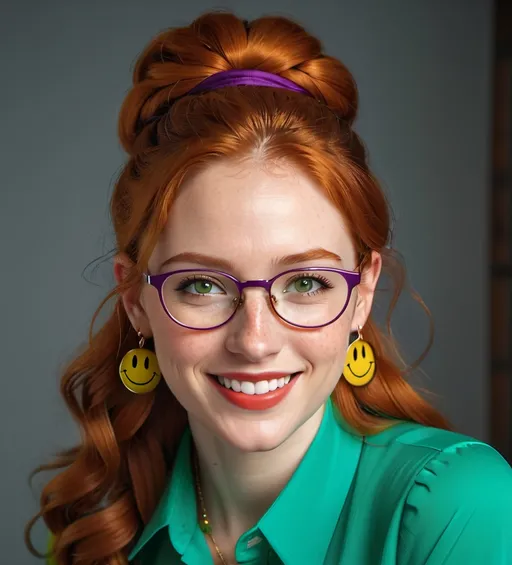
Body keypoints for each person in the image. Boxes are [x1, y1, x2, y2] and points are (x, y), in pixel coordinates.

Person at [25, 11, 512, 565]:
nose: (254, 342)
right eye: (202, 285)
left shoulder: (456, 505)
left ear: (362, 293)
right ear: (136, 299)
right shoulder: (92, 525)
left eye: (306, 282)